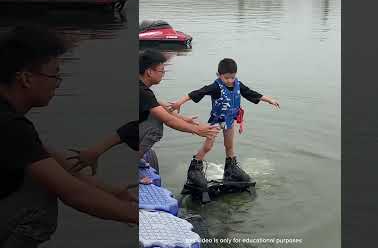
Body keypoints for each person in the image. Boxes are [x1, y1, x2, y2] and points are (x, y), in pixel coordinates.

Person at [0, 26, 138, 247]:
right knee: (41, 193)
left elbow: (49, 158)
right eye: (54, 74)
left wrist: (112, 191)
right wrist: (141, 217)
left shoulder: (10, 121)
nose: (58, 82)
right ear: (25, 78)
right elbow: (73, 193)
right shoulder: (9, 126)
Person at [66, 49, 220, 174]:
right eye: (161, 70)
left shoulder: (139, 86)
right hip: (115, 125)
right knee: (156, 125)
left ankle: (102, 154)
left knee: (155, 115)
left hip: (118, 126)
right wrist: (197, 130)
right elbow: (167, 119)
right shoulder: (142, 92)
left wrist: (184, 119)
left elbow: (161, 108)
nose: (163, 73)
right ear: (149, 72)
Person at [169, 58, 280, 189]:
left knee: (229, 145)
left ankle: (231, 169)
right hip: (216, 120)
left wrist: (269, 100)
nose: (230, 81)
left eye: (232, 77)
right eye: (226, 78)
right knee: (208, 146)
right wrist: (178, 103)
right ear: (219, 75)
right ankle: (195, 168)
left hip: (229, 120)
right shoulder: (216, 86)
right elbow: (197, 93)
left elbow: (251, 93)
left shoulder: (238, 84)